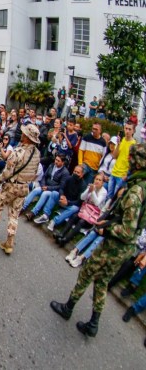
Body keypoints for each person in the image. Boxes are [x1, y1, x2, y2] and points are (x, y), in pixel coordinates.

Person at [50, 143, 146, 337]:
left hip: (116, 245)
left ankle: (68, 308)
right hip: (124, 247)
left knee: (86, 273)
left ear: (137, 162)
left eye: (131, 159)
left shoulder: (136, 191)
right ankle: (93, 324)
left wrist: (106, 228)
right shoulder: (141, 186)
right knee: (102, 281)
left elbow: (127, 229)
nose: (127, 162)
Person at [0, 124, 41, 254]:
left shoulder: (18, 152)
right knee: (14, 215)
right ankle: (9, 243)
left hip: (12, 186)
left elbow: (8, 172)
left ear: (27, 137)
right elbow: (35, 171)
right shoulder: (37, 153)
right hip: (24, 187)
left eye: (24, 134)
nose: (22, 135)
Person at [108, 121, 136, 199]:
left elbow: (132, 162)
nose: (127, 131)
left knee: (116, 198)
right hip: (114, 172)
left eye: (129, 129)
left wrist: (127, 175)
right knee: (109, 196)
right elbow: (114, 156)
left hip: (122, 175)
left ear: (133, 131)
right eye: (126, 128)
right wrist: (118, 144)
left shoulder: (134, 144)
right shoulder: (122, 140)